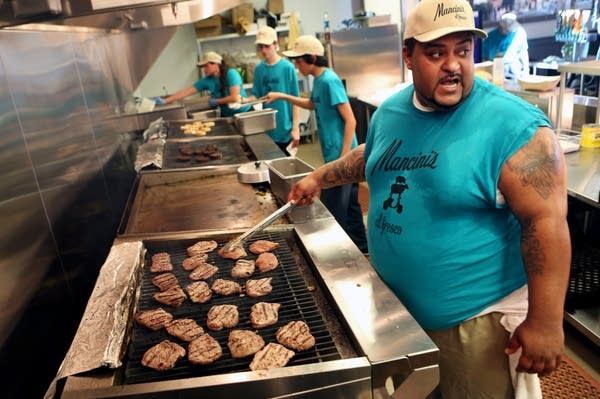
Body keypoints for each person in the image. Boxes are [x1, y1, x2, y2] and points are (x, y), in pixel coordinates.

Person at [287, 0, 570, 398]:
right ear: (408, 56)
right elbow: (373, 155)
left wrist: (546, 322)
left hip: (473, 326)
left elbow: (546, 224)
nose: (453, 65)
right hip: (397, 317)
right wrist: (320, 176)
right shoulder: (392, 111)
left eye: (463, 51)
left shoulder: (514, 128)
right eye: (436, 53)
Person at [264, 35, 368, 253]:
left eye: (299, 60)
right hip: (334, 154)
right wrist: (283, 96)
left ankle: (340, 255)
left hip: (340, 157)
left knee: (333, 211)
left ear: (312, 58)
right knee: (350, 206)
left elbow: (351, 120)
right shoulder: (318, 81)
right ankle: (361, 247)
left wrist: (342, 159)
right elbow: (312, 104)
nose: (296, 65)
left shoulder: (330, 81)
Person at [245, 26, 301, 155]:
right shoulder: (259, 69)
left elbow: (296, 100)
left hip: (285, 128)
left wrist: (295, 128)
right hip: (267, 129)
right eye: (261, 47)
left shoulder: (287, 68)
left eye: (267, 46)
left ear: (275, 44)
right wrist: (244, 100)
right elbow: (256, 95)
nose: (263, 50)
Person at [157, 51, 251, 117]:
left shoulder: (231, 74)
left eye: (206, 66)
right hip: (227, 115)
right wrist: (165, 101)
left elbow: (234, 97)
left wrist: (216, 102)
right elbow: (186, 92)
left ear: (216, 64)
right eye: (203, 67)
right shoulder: (207, 80)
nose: (204, 69)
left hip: (243, 113)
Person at [482, 12, 530, 79]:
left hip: (515, 68)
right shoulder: (490, 37)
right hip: (496, 69)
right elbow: (485, 58)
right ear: (501, 25)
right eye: (507, 28)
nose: (509, 30)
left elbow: (523, 52)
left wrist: (526, 71)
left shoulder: (520, 33)